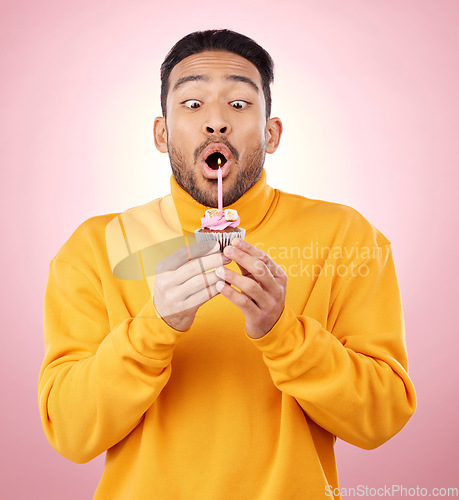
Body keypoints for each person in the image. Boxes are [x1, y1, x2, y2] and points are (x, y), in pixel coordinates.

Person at [38, 29, 416, 499]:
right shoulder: (97, 248)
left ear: (271, 133)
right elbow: (71, 434)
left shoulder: (347, 238)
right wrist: (155, 327)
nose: (215, 122)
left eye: (239, 104)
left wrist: (284, 332)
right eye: (192, 104)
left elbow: (381, 418)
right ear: (161, 133)